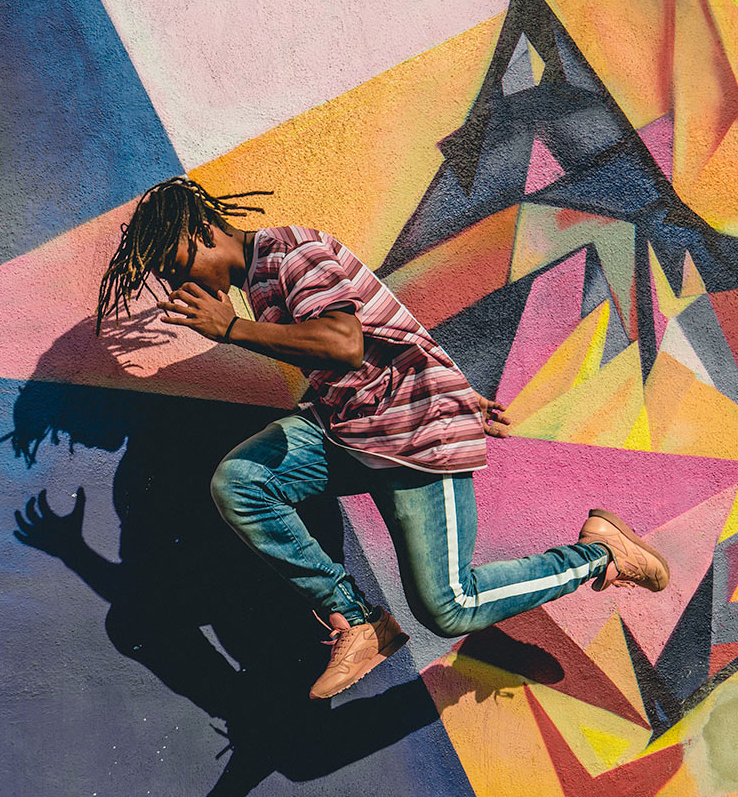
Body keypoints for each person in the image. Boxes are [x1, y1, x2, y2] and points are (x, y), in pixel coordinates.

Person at [96, 177, 670, 700]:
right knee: (243, 481)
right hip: (355, 430)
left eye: (173, 265)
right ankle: (360, 621)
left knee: (448, 608)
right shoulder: (262, 276)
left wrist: (232, 329)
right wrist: (451, 380)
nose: (177, 283)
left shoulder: (292, 255)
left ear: (199, 229)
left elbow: (344, 342)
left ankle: (600, 555)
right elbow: (386, 324)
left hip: (416, 437)